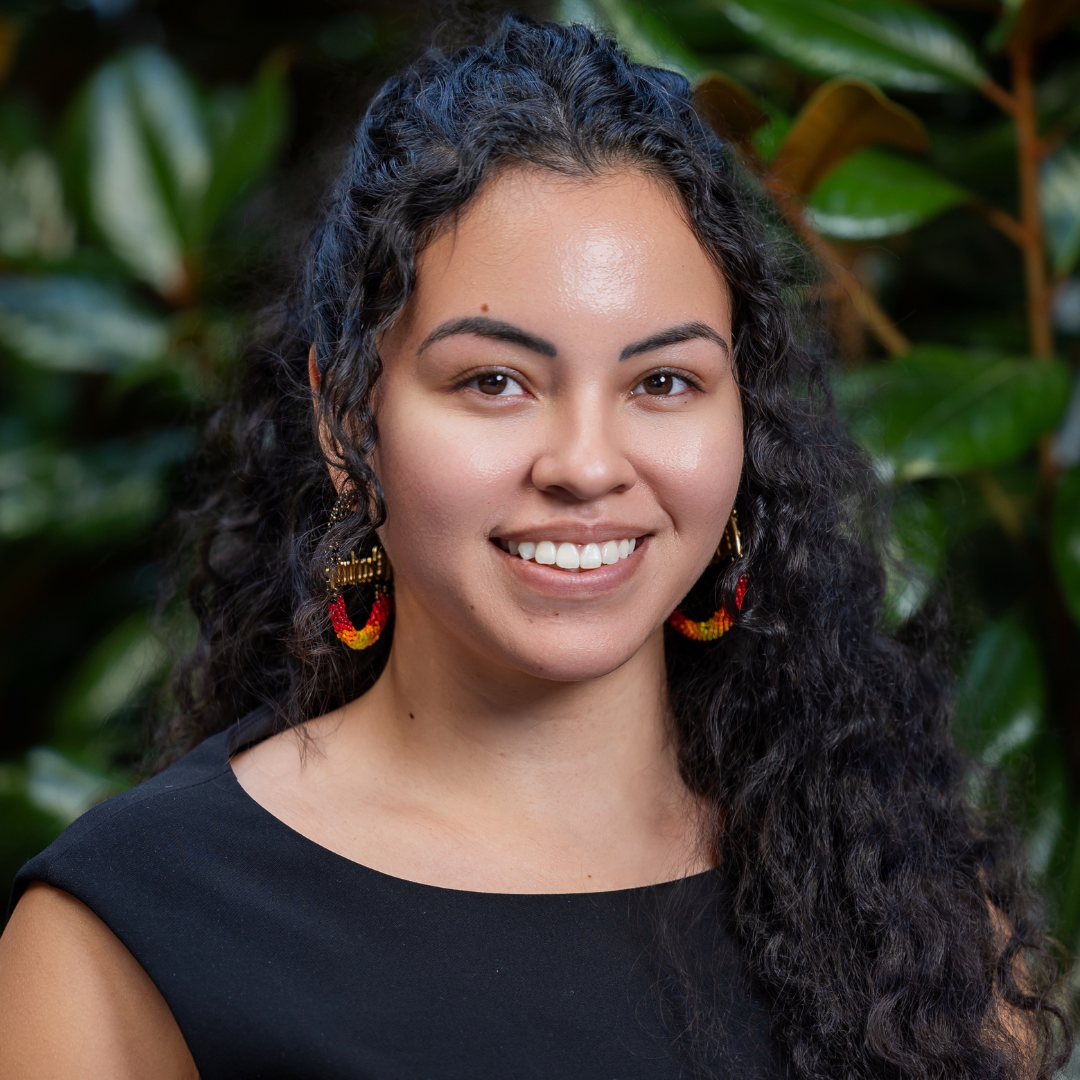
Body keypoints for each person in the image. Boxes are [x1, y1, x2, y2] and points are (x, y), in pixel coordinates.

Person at [0, 15, 1067, 1080]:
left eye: (664, 382)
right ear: (347, 421)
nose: (588, 465)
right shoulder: (127, 932)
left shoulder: (905, 905)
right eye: (495, 381)